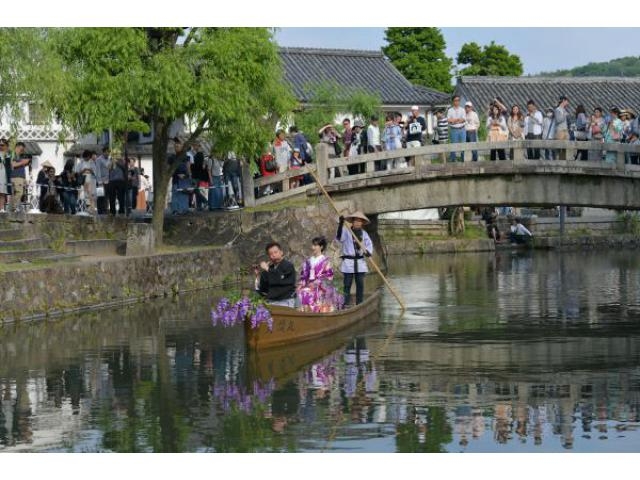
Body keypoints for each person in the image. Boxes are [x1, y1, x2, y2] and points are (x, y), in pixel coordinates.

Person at [336, 211, 373, 306]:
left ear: (362, 223)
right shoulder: (346, 230)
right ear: (352, 222)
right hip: (348, 262)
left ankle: (359, 303)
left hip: (360, 263)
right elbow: (339, 238)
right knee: (347, 285)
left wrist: (368, 252)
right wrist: (340, 224)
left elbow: (369, 245)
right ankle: (345, 304)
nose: (357, 223)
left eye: (359, 221)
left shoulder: (364, 234)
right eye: (355, 221)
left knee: (360, 285)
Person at [296, 236, 342, 312]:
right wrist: (301, 284)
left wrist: (317, 282)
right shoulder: (308, 261)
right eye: (312, 245)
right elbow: (304, 274)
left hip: (320, 287)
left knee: (314, 293)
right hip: (309, 285)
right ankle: (305, 313)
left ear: (321, 247)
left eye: (315, 245)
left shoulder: (325, 261)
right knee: (302, 291)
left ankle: (317, 313)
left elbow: (329, 276)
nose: (312, 247)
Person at [255, 241, 297, 307]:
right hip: (271, 301)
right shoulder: (270, 269)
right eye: (271, 254)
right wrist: (258, 275)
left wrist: (267, 269)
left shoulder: (288, 265)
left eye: (275, 252)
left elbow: (279, 278)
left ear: (281, 252)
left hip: (285, 300)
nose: (273, 255)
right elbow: (264, 288)